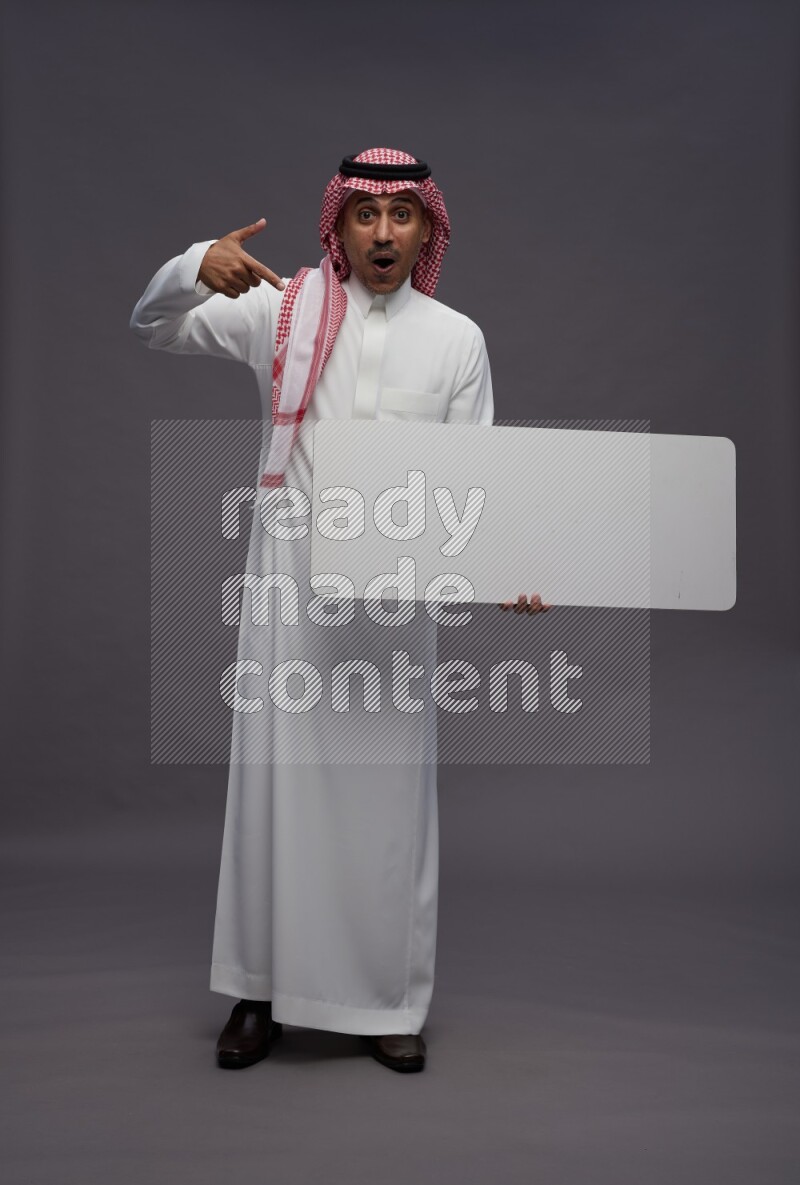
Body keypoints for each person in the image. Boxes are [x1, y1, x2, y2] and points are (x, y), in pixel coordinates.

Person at [130, 147, 549, 1074]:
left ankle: (383, 1001)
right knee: (272, 794)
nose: (386, 232)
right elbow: (150, 323)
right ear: (340, 225)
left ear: (430, 230)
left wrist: (515, 567)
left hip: (396, 610)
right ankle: (257, 989)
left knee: (385, 805)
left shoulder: (457, 339)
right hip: (288, 590)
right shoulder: (280, 310)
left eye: (405, 215)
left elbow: (479, 481)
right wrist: (195, 263)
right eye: (369, 215)